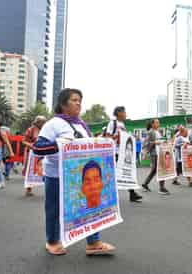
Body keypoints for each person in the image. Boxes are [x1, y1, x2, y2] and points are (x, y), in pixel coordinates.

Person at [33, 88, 115, 256]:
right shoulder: (53, 124)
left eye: (80, 100)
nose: (78, 103)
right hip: (56, 175)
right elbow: (37, 148)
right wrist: (58, 144)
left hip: (79, 175)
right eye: (74, 100)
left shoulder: (81, 124)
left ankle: (93, 242)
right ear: (63, 104)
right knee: (54, 209)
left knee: (89, 208)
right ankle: (52, 241)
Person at [106, 106, 142, 203]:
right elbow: (107, 136)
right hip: (115, 152)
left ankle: (132, 194)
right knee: (113, 174)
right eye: (124, 112)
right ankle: (108, 195)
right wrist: (116, 136)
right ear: (119, 113)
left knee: (127, 171)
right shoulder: (112, 123)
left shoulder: (122, 124)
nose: (126, 114)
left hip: (123, 153)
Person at [141, 119, 170, 195]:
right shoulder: (150, 132)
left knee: (154, 170)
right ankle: (161, 188)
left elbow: (159, 141)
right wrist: (145, 153)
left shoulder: (157, 132)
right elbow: (146, 143)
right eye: (157, 122)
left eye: (159, 122)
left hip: (160, 152)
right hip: (155, 153)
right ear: (152, 124)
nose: (158, 124)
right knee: (161, 169)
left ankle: (145, 184)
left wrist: (164, 142)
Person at [22, 116, 47, 196]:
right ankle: (28, 189)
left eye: (44, 122)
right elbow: (24, 141)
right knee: (30, 171)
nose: (43, 124)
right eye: (42, 122)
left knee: (45, 170)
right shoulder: (30, 130)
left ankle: (48, 189)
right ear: (37, 122)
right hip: (31, 153)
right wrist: (32, 146)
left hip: (43, 152)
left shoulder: (46, 130)